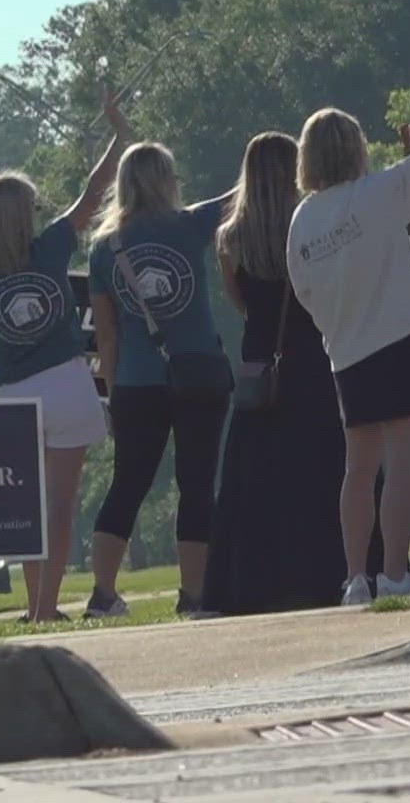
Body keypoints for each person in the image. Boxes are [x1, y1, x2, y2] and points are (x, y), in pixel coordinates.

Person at [288, 38, 410, 605]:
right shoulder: (377, 193)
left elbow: (303, 289)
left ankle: (355, 578)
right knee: (401, 466)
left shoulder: (303, 219)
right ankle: (395, 571)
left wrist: (337, 323)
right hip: (399, 341)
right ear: (354, 149)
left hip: (347, 354)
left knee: (358, 468)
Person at [0, 85, 129, 623]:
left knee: (28, 509)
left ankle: (36, 608)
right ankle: (47, 608)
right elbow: (94, 191)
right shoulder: (52, 246)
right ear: (25, 214)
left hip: (13, 395)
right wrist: (119, 135)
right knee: (60, 506)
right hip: (68, 384)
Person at [200, 132, 369, 615]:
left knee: (253, 482)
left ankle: (250, 583)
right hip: (311, 353)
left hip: (261, 365)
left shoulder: (231, 236)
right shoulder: (310, 225)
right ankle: (325, 572)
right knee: (321, 469)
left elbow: (239, 302)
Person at [85, 142, 235, 619]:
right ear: (168, 179)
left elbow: (104, 332)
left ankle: (103, 594)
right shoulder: (190, 226)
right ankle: (194, 595)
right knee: (196, 484)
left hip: (135, 380)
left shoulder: (104, 248)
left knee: (127, 484)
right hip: (196, 370)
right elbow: (243, 193)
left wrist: (110, 391)